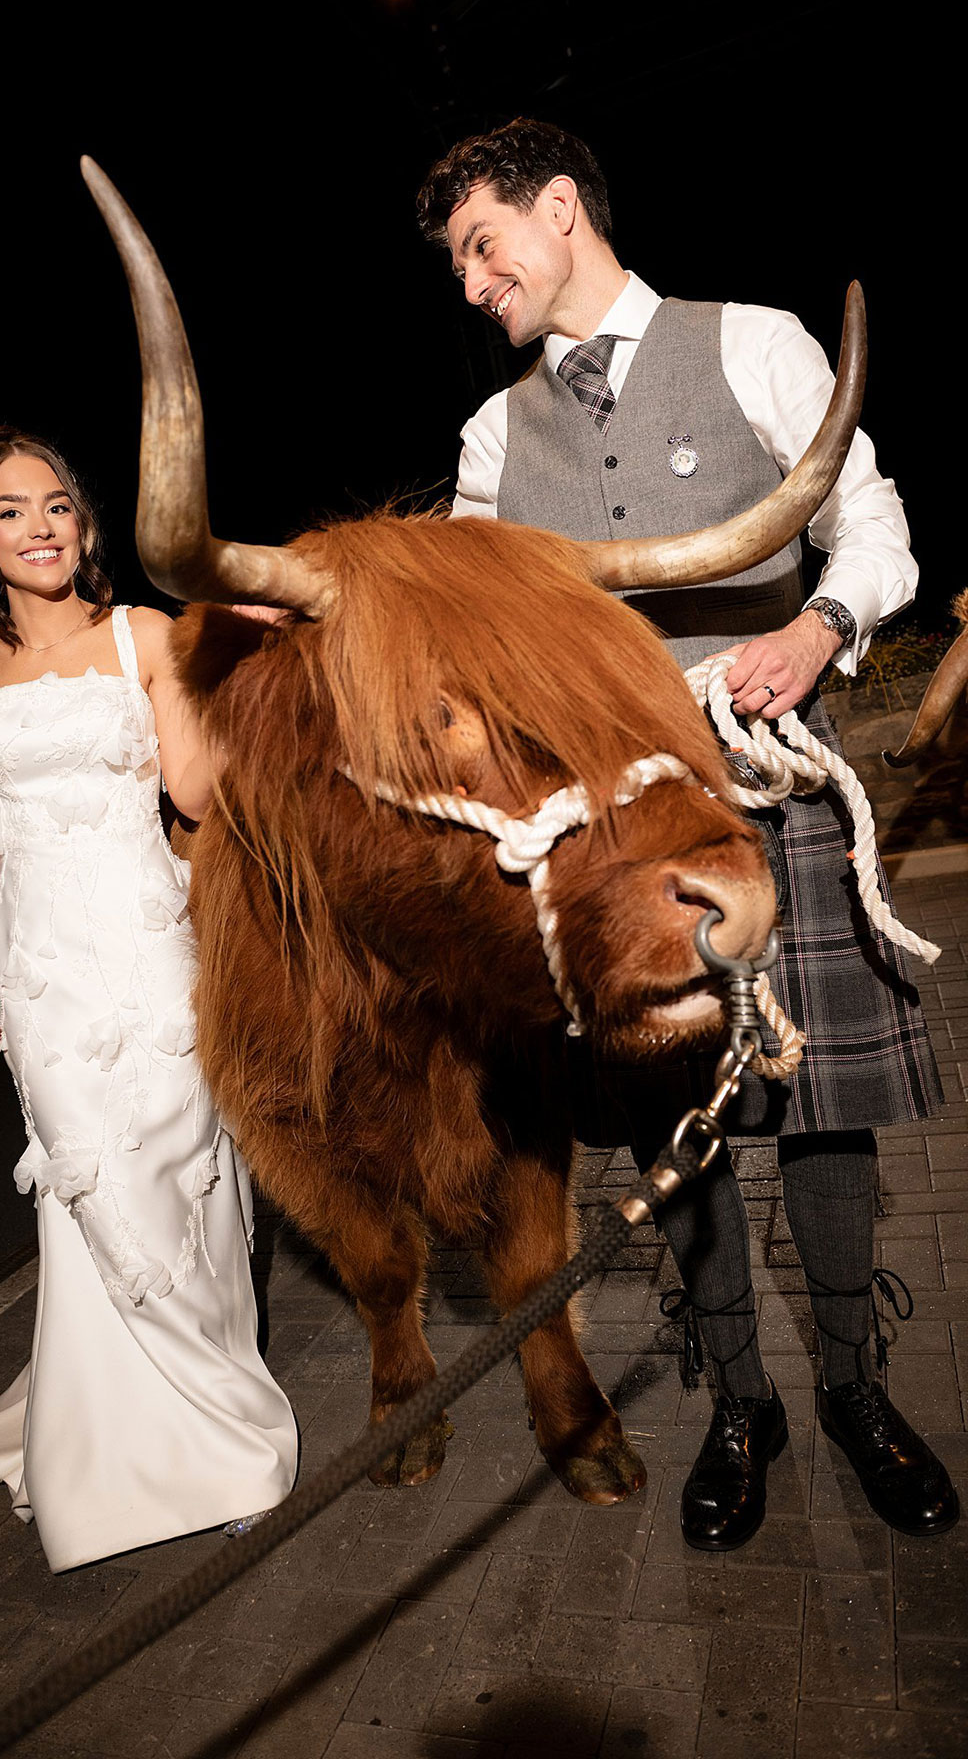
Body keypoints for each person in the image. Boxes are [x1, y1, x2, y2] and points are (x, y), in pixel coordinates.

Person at [416, 120, 958, 1548]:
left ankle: (853, 1386)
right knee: (676, 1121)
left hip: (777, 779)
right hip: (612, 836)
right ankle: (738, 1402)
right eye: (458, 263)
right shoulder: (490, 442)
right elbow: (478, 637)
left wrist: (821, 621)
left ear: (560, 207)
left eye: (484, 245)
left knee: (824, 1128)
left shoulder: (751, 342)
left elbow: (877, 524)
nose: (472, 282)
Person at [0, 428, 297, 1572]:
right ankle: (107, 1444)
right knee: (91, 1195)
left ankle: (228, 1435)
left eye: (58, 505)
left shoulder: (140, 634)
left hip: (148, 953)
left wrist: (234, 663)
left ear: (84, 524)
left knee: (170, 1176)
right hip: (38, 968)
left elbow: (190, 788)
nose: (40, 526)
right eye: (11, 511)